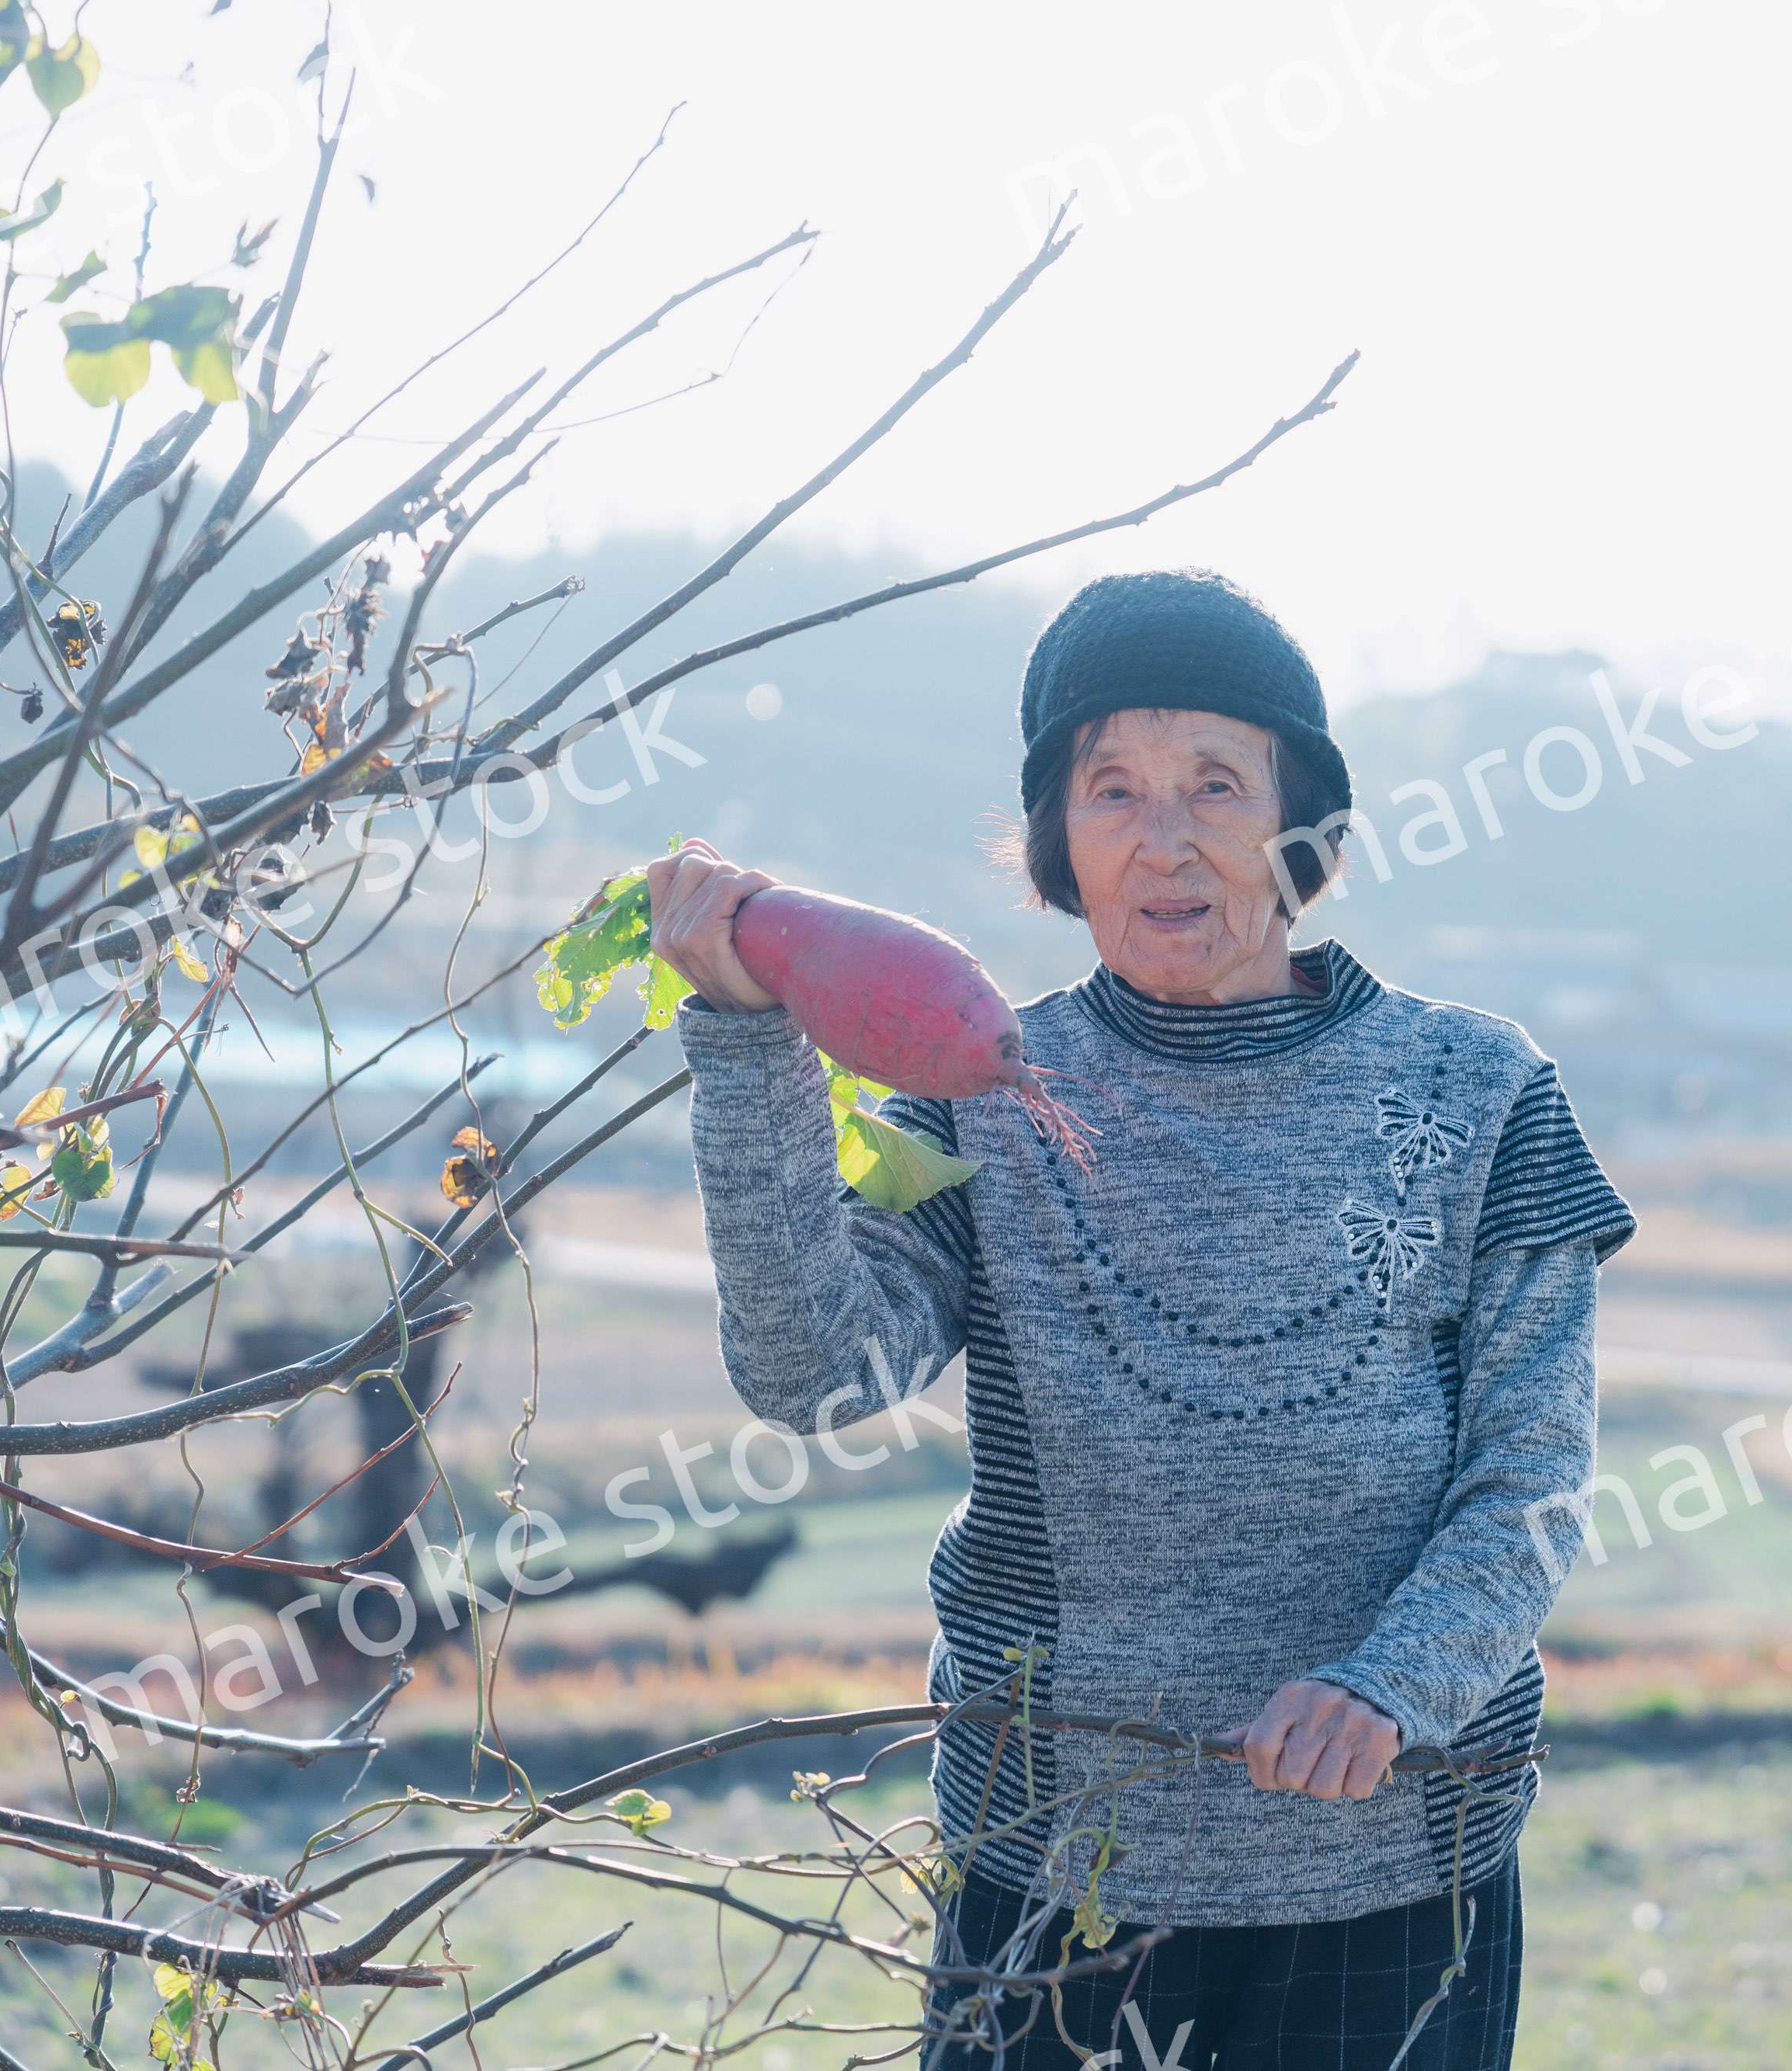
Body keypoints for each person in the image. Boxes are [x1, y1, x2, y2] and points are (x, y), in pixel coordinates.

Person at [647, 568, 1633, 2068]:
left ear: (1302, 822)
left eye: (1216, 785)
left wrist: (1393, 1684)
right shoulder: (978, 1096)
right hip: (1056, 1861)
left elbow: (1532, 1478)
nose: (1163, 840)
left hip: (1390, 1873)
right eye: (1110, 789)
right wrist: (744, 1041)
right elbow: (812, 1375)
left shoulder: (1479, 1094)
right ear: (1058, 841)